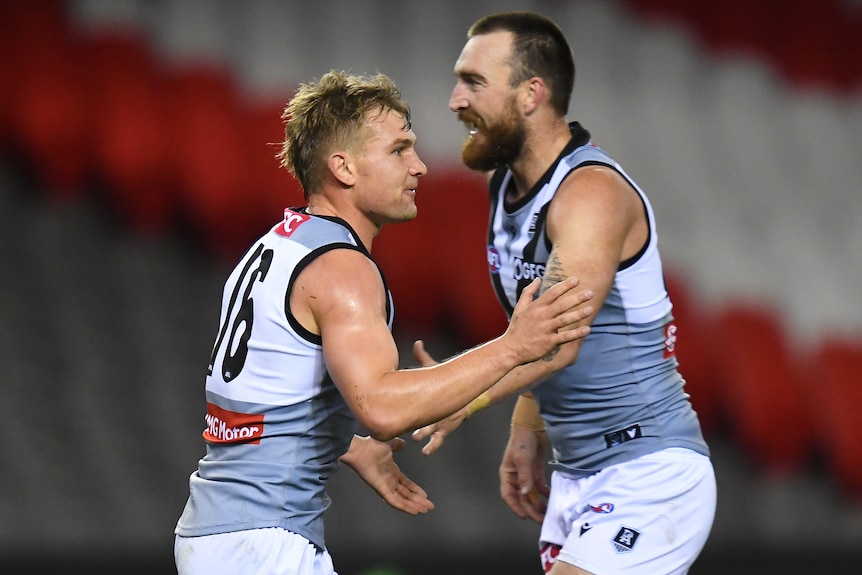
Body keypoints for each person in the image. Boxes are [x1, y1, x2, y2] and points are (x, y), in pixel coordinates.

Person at [173, 69, 596, 575]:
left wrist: (344, 443)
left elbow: (260, 399)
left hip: (218, 532)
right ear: (344, 168)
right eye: (399, 150)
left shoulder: (276, 246)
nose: (418, 166)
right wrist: (514, 345)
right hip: (261, 545)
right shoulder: (342, 268)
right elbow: (381, 408)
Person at [411, 11, 716, 575]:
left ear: (532, 93)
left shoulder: (589, 194)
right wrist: (527, 428)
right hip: (580, 474)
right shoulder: (506, 185)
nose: (454, 99)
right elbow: (533, 325)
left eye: (473, 81)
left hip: (649, 469)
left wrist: (454, 394)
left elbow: (557, 343)